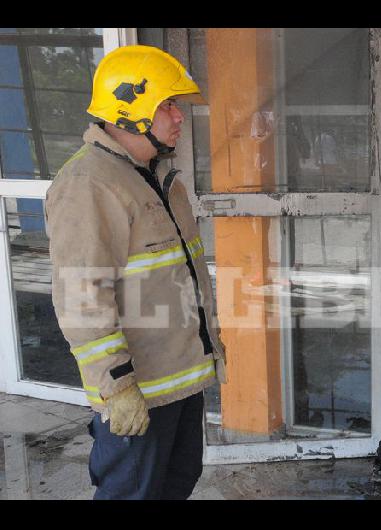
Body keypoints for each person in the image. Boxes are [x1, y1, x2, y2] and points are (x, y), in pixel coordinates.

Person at [45, 45, 227, 500]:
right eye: (167, 105)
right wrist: (117, 384)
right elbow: (81, 296)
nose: (178, 117)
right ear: (130, 109)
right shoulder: (89, 184)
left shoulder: (158, 176)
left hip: (178, 379)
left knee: (176, 484)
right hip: (138, 388)